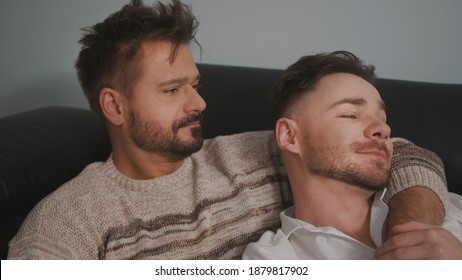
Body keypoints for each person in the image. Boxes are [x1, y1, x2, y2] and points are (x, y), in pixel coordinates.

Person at [7, 1, 448, 259]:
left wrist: (408, 238)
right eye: (172, 89)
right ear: (114, 106)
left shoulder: (249, 154)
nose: (198, 103)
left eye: (195, 85)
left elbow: (404, 152)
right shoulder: (71, 219)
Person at [243, 51, 462, 259]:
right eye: (351, 115)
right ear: (289, 136)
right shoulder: (271, 259)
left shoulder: (448, 205)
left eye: (383, 119)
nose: (383, 129)